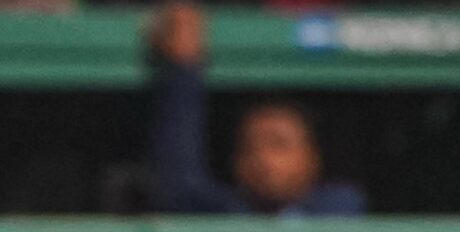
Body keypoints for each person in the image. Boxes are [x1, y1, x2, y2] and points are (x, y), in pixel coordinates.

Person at [148, 2, 364, 216]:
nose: (262, 158)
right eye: (248, 148)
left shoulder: (337, 207)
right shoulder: (227, 212)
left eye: (279, 144)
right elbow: (179, 185)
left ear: (312, 157)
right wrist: (182, 70)